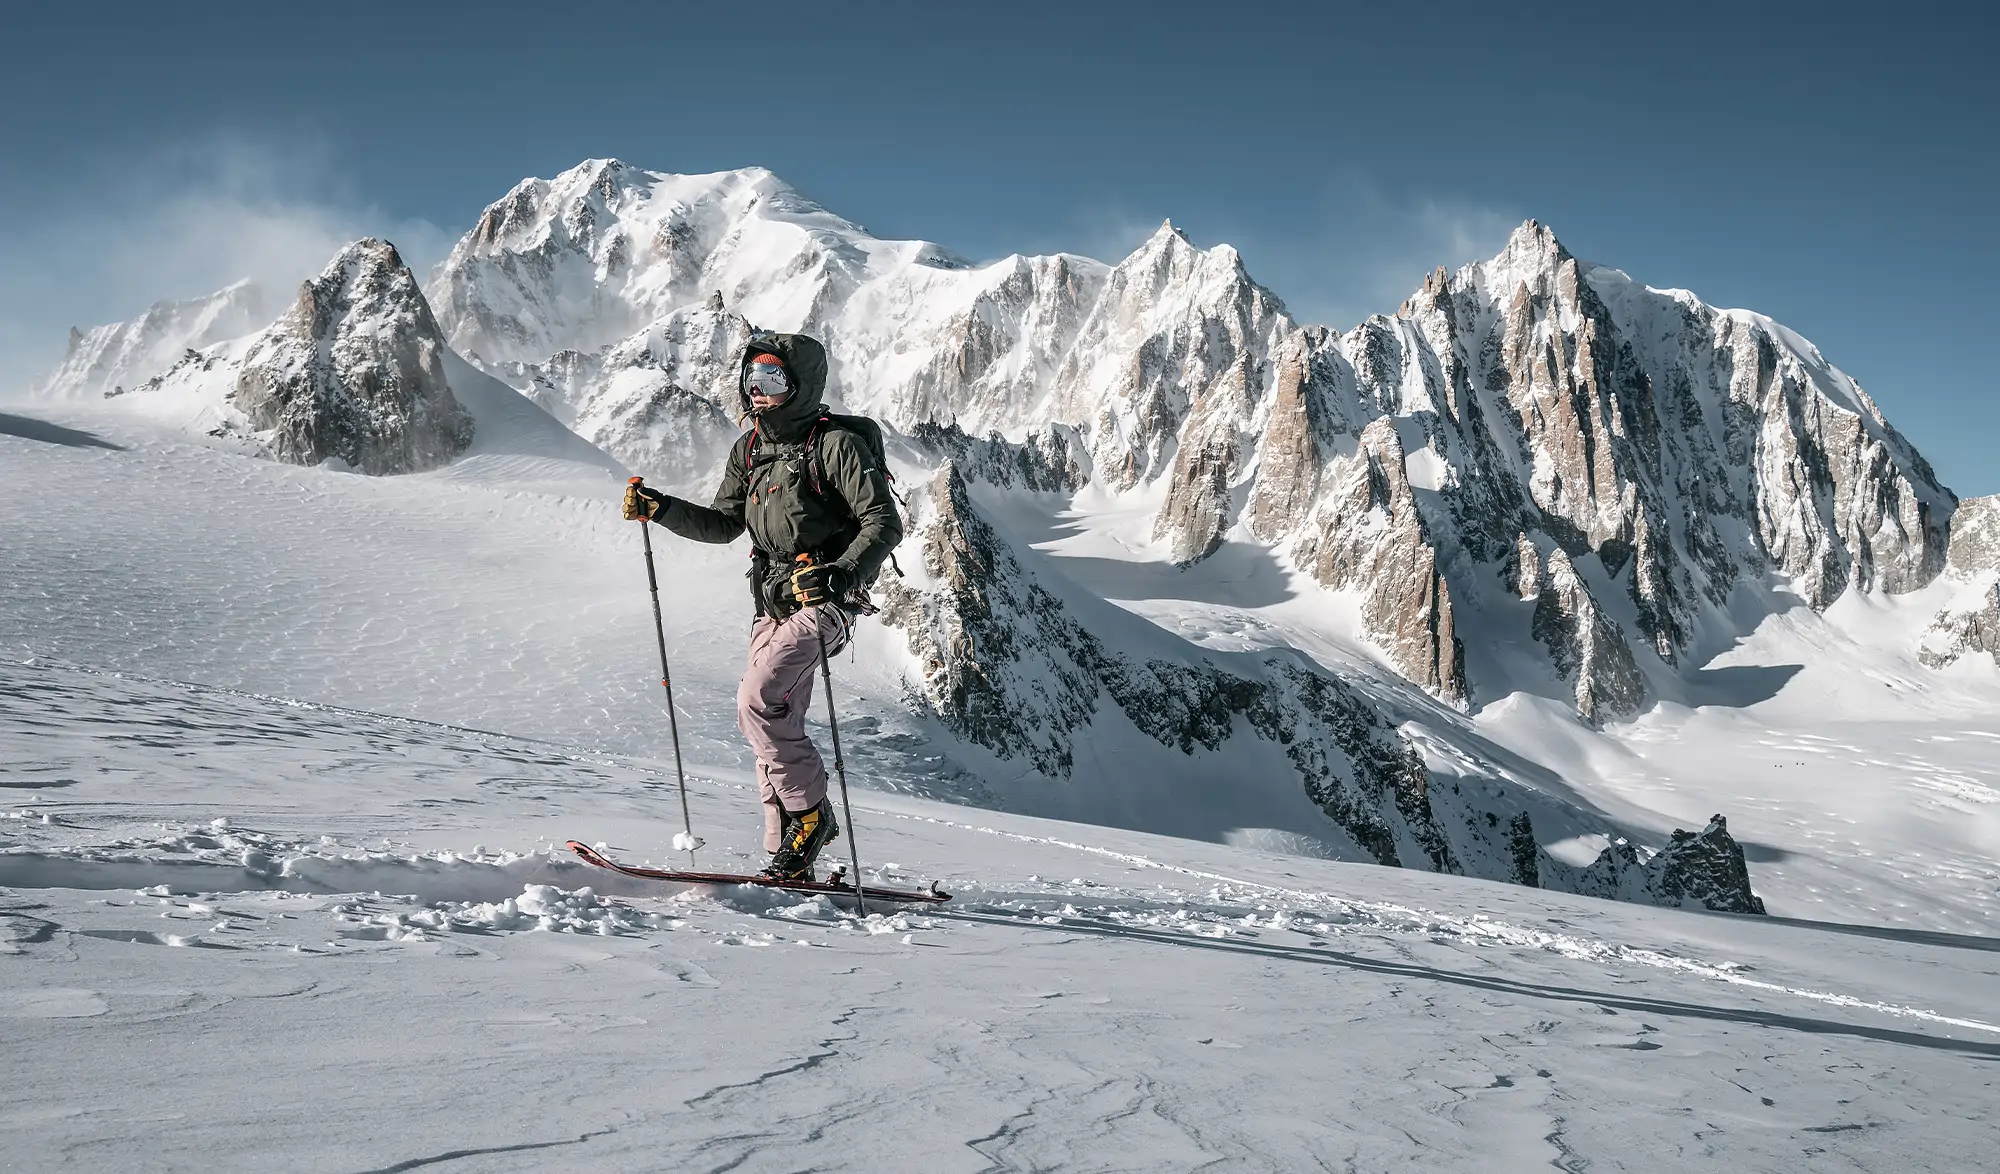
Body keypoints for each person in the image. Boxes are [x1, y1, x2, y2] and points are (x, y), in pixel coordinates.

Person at [622, 332, 903, 880]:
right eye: (752, 379)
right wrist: (661, 509)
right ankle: (788, 859)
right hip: (769, 602)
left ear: (799, 385)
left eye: (773, 380)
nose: (758, 391)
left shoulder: (836, 445)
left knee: (757, 700)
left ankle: (810, 817)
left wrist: (839, 573)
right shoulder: (749, 448)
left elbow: (882, 522)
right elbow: (726, 524)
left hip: (824, 599)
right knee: (770, 726)